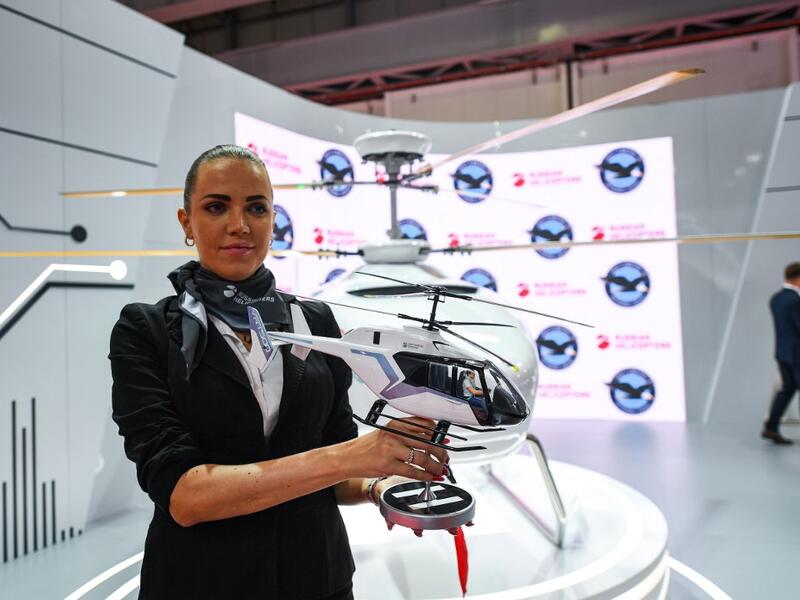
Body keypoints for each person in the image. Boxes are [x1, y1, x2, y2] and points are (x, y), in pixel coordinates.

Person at [109, 145, 449, 599]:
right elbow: (186, 498)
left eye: (256, 208)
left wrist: (377, 484)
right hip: (200, 584)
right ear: (186, 223)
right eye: (216, 207)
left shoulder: (318, 323)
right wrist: (354, 456)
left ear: (273, 220)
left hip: (318, 579)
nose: (239, 225)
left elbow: (334, 463)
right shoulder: (146, 331)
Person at [761, 261, 800, 445]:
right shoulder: (795, 300)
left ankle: (771, 427)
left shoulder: (776, 298)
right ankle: (771, 427)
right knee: (789, 388)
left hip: (783, 352)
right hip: (797, 354)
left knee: (788, 388)